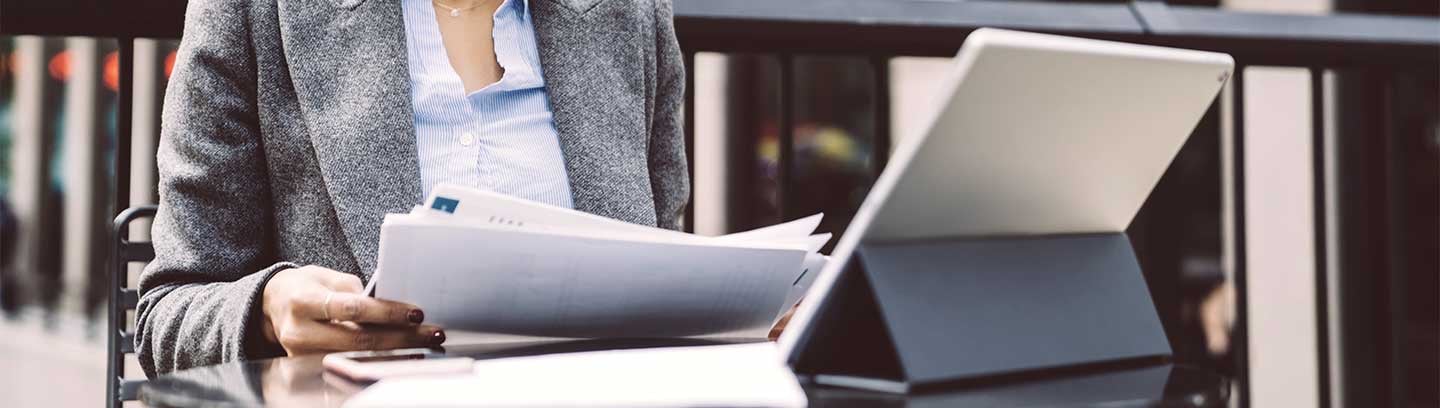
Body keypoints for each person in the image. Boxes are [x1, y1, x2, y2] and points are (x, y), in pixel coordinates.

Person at [135, 0, 689, 377]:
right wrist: (267, 311)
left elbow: (667, 278)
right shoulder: (254, 11)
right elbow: (168, 312)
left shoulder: (631, 15)